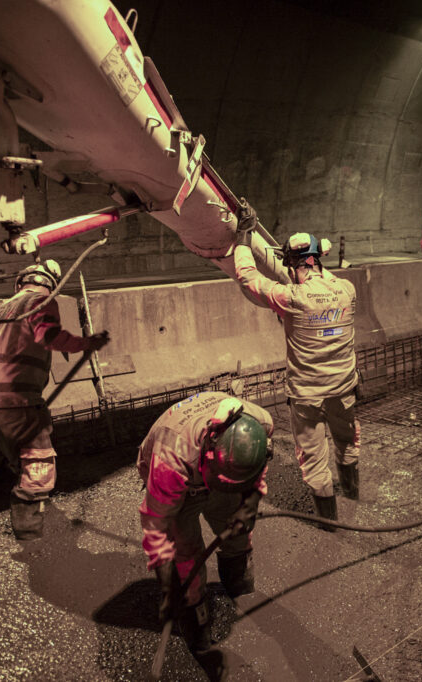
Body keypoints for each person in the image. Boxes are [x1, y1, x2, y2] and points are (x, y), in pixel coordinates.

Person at [232, 202, 359, 528]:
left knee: (314, 458)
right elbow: (320, 277)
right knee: (347, 440)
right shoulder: (346, 290)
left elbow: (248, 279)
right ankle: (353, 495)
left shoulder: (291, 298)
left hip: (307, 396)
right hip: (344, 386)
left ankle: (330, 524)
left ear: (292, 265)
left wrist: (243, 238)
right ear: (319, 260)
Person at [0, 260, 109, 540]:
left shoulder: (1, 308)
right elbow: (49, 336)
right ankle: (29, 534)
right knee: (39, 464)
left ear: (20, 281)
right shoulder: (41, 300)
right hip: (17, 395)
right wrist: (85, 343)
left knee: (19, 459)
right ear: (51, 283)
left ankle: (23, 503)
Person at [138, 392, 271, 662]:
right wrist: (168, 584)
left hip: (212, 470)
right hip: (182, 480)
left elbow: (261, 463)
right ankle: (196, 624)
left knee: (237, 529)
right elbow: (156, 527)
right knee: (186, 556)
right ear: (209, 450)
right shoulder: (169, 462)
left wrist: (250, 501)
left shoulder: (260, 422)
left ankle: (239, 584)